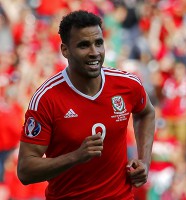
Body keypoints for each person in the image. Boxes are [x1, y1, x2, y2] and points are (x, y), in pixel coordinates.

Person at [17, 10, 155, 199]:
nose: (94, 52)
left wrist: (144, 160)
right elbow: (25, 170)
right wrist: (76, 156)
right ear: (65, 50)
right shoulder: (46, 99)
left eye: (99, 43)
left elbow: (146, 112)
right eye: (84, 45)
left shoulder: (127, 84)